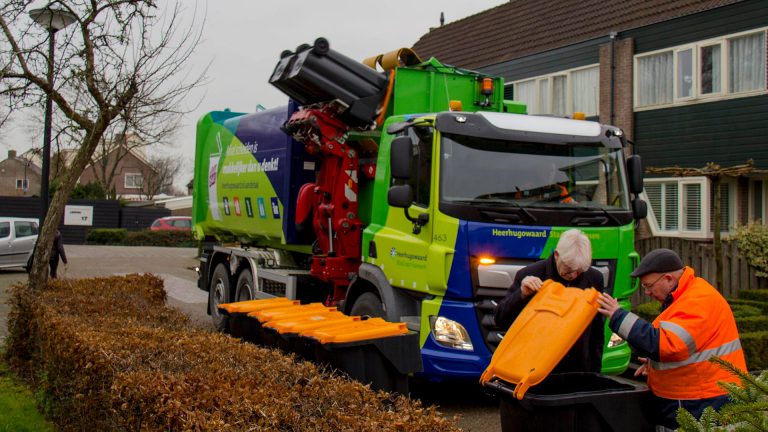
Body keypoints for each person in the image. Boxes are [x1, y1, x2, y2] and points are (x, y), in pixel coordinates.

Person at [597, 248, 747, 430]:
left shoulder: (697, 300)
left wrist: (618, 316)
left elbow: (666, 345)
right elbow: (681, 348)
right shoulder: (684, 297)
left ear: (668, 279)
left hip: (703, 402)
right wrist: (654, 363)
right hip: (698, 399)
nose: (647, 292)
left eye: (649, 286)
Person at [494, 229, 605, 373]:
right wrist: (521, 295)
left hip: (577, 370)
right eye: (569, 269)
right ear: (557, 255)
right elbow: (500, 319)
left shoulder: (594, 278)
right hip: (535, 369)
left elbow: (596, 332)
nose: (574, 275)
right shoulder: (530, 274)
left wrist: (595, 374)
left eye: (579, 270)